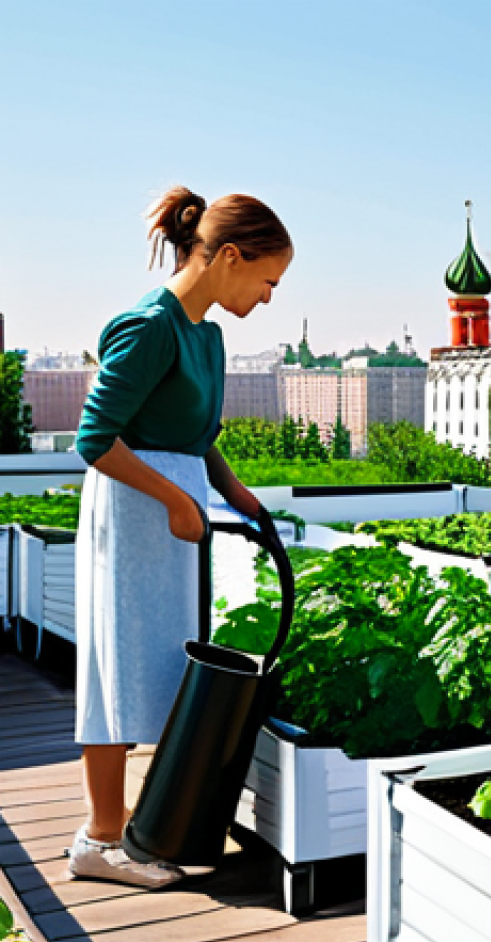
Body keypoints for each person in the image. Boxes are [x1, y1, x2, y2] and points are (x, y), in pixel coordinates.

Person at [68, 186, 292, 886]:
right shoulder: (149, 327)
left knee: (167, 667)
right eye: (268, 280)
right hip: (135, 514)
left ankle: (147, 828)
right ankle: (100, 840)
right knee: (116, 666)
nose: (268, 296)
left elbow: (196, 434)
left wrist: (233, 491)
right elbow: (94, 440)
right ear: (230, 257)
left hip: (176, 519)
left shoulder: (206, 335)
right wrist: (172, 499)